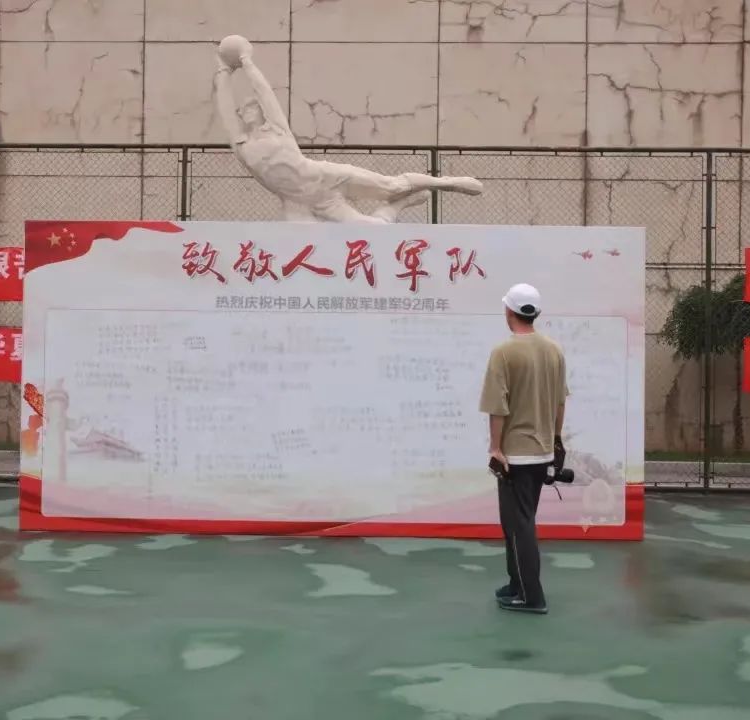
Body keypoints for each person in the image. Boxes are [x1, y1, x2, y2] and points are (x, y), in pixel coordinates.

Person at [214, 41, 483, 223]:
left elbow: (264, 92)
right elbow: (225, 108)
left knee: (392, 186)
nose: (245, 111)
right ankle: (398, 206)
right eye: (243, 110)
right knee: (371, 233)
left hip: (325, 177)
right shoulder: (243, 146)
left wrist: (246, 61)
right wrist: (223, 70)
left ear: (261, 112)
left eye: (251, 107)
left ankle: (447, 182)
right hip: (298, 203)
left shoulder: (276, 129)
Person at [479, 283, 568, 615]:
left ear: (509, 311)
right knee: (517, 522)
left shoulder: (503, 353)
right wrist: (556, 439)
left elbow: (497, 406)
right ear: (536, 313)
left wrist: (495, 449)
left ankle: (532, 596)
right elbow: (560, 401)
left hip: (514, 455)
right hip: (542, 452)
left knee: (519, 526)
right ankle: (516, 584)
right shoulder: (554, 350)